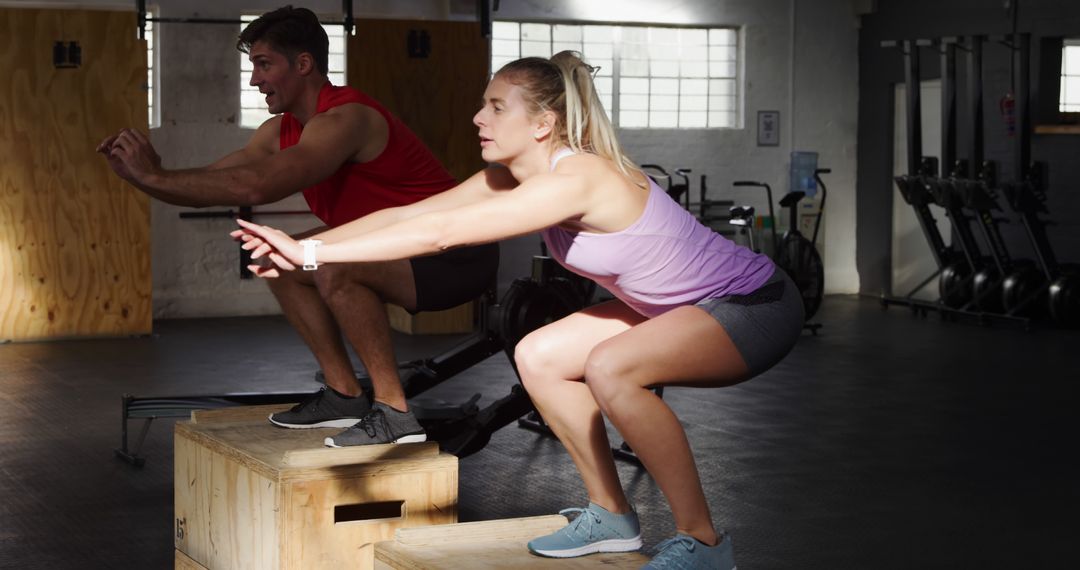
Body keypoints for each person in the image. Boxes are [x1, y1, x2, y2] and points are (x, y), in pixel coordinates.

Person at [232, 50, 804, 570]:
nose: (479, 118)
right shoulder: (509, 176)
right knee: (538, 354)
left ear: (542, 124)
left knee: (611, 366)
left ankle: (704, 544)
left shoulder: (580, 176)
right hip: (673, 309)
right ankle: (611, 516)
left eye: (495, 107)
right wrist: (311, 248)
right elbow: (414, 215)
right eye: (483, 105)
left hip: (753, 305)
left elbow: (441, 234)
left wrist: (311, 252)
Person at [95, 6, 498, 444]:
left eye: (264, 65)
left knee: (332, 265)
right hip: (396, 248)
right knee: (279, 258)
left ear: (303, 64)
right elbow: (215, 182)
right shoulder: (279, 130)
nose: (255, 80)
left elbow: (257, 186)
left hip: (454, 256)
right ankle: (344, 395)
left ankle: (394, 413)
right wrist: (146, 175)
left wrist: (154, 177)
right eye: (254, 67)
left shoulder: (347, 119)